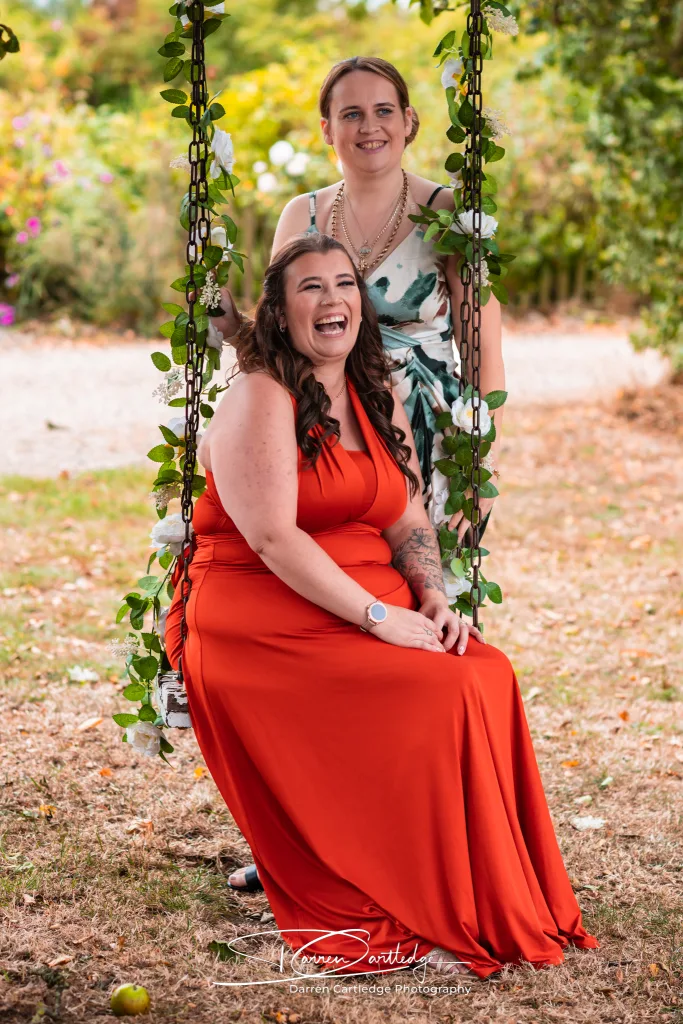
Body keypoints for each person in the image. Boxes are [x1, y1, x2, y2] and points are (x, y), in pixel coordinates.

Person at [165, 233, 599, 980]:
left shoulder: (374, 390)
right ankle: (404, 891)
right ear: (278, 311)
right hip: (264, 619)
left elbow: (404, 518)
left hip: (365, 601)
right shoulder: (259, 396)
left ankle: (461, 887)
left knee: (483, 672)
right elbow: (271, 537)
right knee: (445, 689)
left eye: (343, 284)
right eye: (309, 288)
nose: (331, 300)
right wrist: (376, 617)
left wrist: (431, 595)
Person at [220, 54, 506, 895]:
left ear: (410, 121)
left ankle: (413, 824)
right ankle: (304, 828)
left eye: (384, 110)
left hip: (423, 427)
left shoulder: (449, 210)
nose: (369, 126)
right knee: (320, 624)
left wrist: (477, 455)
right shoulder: (302, 213)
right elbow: (270, 336)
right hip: (323, 427)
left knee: (423, 620)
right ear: (326, 128)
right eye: (350, 113)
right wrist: (219, 318)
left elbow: (480, 328)